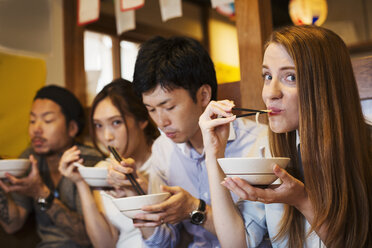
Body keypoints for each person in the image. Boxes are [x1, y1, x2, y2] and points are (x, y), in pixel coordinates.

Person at [199, 25, 372, 248]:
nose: (271, 93)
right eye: (267, 76)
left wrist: (301, 199)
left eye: (290, 77)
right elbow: (236, 242)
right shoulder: (269, 152)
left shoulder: (366, 149)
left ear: (325, 85)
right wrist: (214, 153)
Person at [107, 36, 269, 247]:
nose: (161, 122)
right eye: (151, 109)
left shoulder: (259, 145)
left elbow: (254, 242)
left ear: (203, 95)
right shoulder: (163, 150)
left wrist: (195, 209)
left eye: (169, 107)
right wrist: (134, 195)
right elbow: (163, 243)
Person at [58, 79, 160, 247]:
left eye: (116, 122)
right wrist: (81, 183)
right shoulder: (103, 171)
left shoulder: (165, 159)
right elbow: (105, 244)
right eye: (98, 125)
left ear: (142, 119)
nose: (106, 137)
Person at [0, 85, 102, 247]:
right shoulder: (28, 159)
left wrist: (41, 193)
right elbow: (13, 224)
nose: (36, 129)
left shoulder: (89, 162)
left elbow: (88, 238)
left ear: (72, 128)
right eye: (32, 121)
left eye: (47, 120)